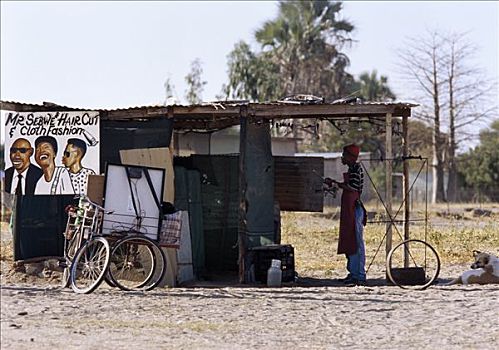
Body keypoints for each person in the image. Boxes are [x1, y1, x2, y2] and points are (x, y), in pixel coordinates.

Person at [325, 144, 367, 286]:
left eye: (344, 155)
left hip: (354, 208)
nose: (342, 157)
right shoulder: (352, 169)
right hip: (349, 209)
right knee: (350, 241)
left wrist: (336, 184)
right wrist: (335, 183)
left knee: (356, 242)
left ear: (350, 156)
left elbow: (352, 187)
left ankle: (359, 275)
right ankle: (353, 273)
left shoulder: (356, 169)